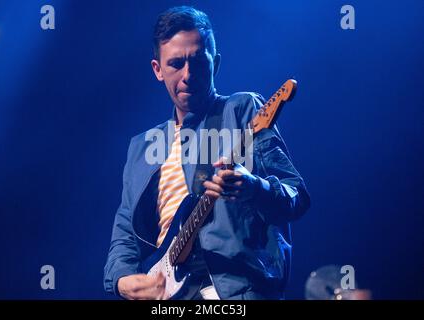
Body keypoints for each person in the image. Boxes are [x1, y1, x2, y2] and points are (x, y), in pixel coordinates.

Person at [104, 6, 310, 300]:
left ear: (216, 63)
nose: (188, 75)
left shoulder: (243, 111)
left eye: (198, 62)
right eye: (175, 64)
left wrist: (255, 187)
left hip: (236, 291)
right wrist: (123, 281)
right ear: (157, 69)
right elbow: (125, 234)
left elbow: (297, 196)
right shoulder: (142, 146)